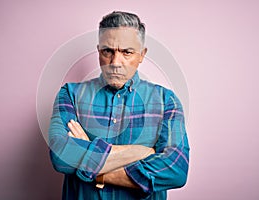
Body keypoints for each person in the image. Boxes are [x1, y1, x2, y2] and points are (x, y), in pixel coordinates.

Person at [49, 11, 190, 200]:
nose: (116, 63)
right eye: (108, 51)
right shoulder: (70, 94)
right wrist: (140, 153)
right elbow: (61, 157)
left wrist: (96, 168)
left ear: (142, 55)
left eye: (127, 52)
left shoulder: (166, 101)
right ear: (99, 51)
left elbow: (176, 170)